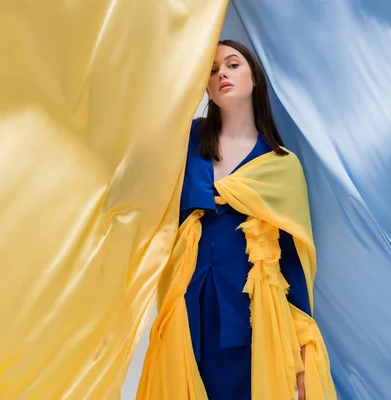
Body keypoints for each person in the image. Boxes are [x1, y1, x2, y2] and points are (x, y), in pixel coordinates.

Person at [137, 40, 335, 400]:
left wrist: (304, 351)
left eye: (232, 65)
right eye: (212, 71)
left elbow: (292, 264)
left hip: (251, 316)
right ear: (207, 89)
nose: (222, 74)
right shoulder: (187, 144)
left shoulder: (280, 164)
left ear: (254, 78)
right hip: (187, 308)